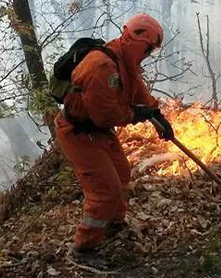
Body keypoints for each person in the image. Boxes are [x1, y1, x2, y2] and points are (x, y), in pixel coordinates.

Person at [54, 13, 173, 255]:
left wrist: (156, 114)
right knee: (105, 193)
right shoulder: (101, 66)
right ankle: (85, 248)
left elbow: (137, 90)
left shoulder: (123, 59)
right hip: (79, 134)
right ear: (138, 41)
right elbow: (105, 115)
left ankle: (114, 226)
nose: (148, 55)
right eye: (148, 49)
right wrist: (136, 115)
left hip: (98, 132)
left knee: (121, 175)